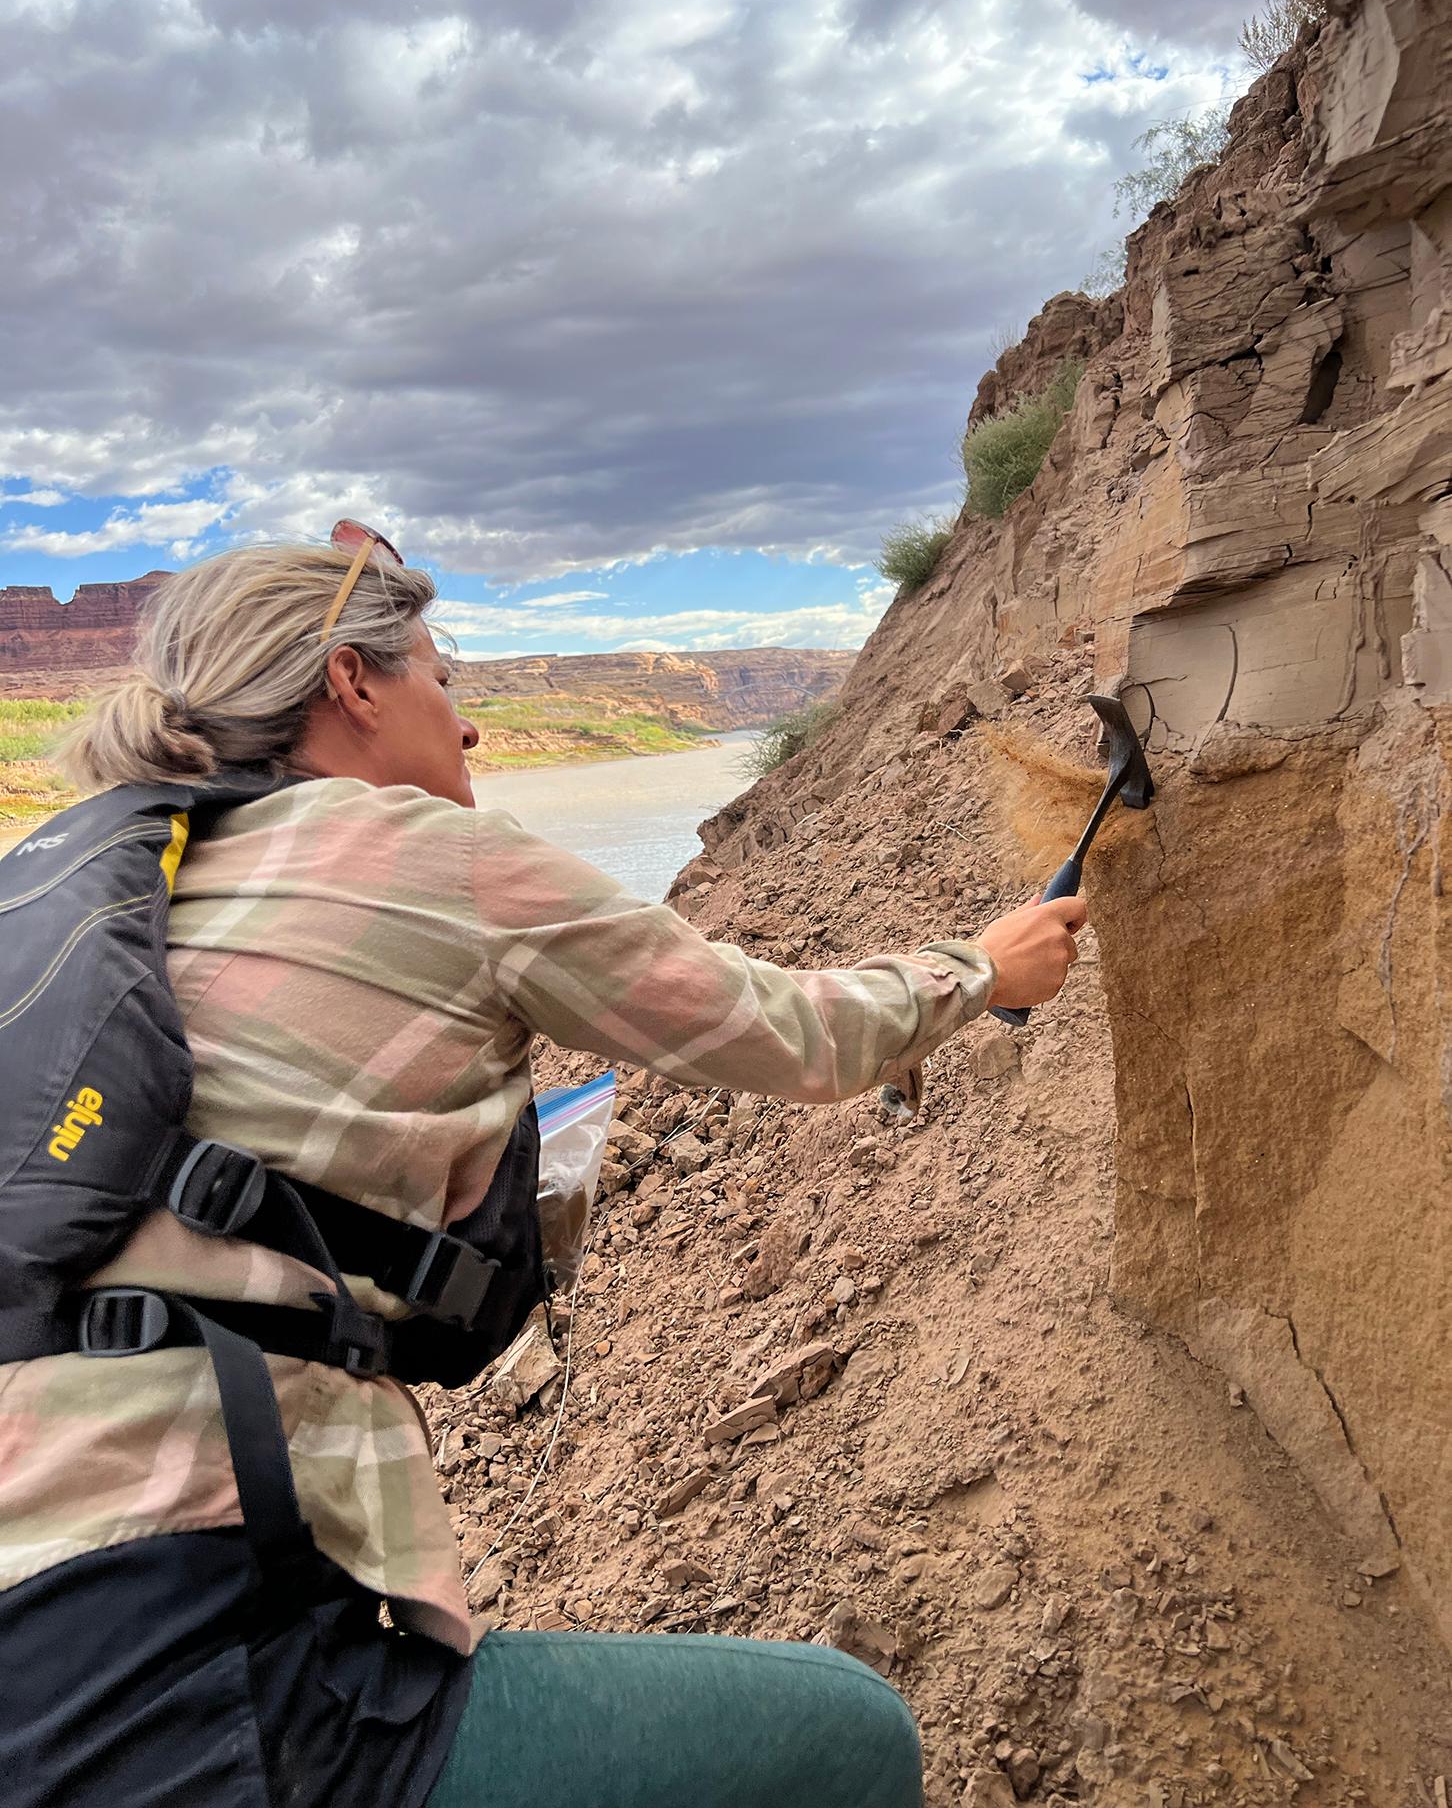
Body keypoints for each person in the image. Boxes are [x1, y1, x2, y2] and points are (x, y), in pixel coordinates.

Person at [0, 534, 1085, 1808]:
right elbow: (791, 1033)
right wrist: (980, 969)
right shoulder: (438, 859)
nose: (467, 733)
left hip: (53, 1611)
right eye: (445, 683)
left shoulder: (108, 884)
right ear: (352, 682)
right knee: (848, 1739)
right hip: (185, 1670)